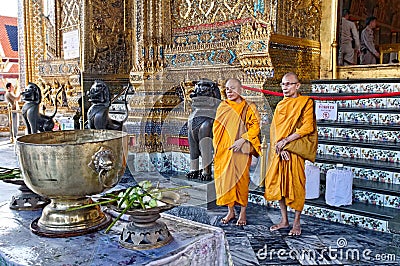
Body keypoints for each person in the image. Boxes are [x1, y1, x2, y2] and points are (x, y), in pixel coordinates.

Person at [263, 72, 317, 236]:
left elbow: (307, 127)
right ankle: (284, 220)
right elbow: (275, 130)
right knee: (280, 185)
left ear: (297, 85)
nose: (285, 87)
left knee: (296, 185)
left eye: (288, 84)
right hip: (280, 151)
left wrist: (287, 143)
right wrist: (279, 148)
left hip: (295, 150)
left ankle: (296, 223)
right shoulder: (280, 105)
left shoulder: (305, 102)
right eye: (283, 84)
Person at [212, 78, 261, 226]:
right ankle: (231, 211)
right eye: (227, 88)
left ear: (240, 90)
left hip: (241, 150)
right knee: (226, 181)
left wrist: (243, 139)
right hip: (225, 150)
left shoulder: (249, 106)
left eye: (233, 88)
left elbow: (255, 126)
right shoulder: (223, 106)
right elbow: (217, 128)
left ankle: (243, 212)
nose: (229, 91)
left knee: (241, 181)